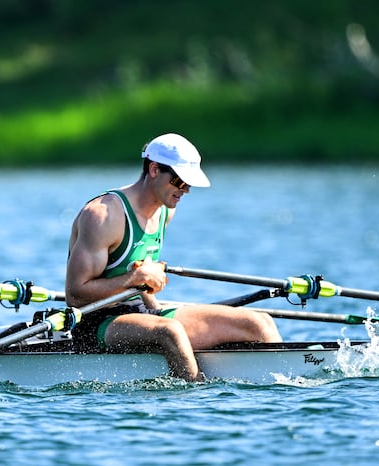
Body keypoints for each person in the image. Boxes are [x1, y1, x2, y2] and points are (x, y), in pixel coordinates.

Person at [65, 132, 282, 381]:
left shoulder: (165, 211)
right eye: (180, 181)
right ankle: (197, 397)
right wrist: (134, 279)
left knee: (259, 323)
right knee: (171, 331)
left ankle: (280, 394)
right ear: (154, 170)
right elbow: (75, 295)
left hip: (141, 313)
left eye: (189, 183)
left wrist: (151, 302)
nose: (186, 190)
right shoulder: (103, 216)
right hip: (94, 323)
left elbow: (142, 284)